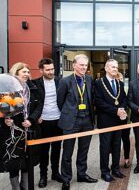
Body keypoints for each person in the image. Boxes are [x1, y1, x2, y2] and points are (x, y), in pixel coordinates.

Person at [57, 54, 98, 190]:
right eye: (81, 65)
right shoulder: (65, 81)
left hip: (87, 120)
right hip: (71, 122)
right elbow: (60, 101)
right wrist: (70, 113)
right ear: (74, 65)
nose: (83, 68)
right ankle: (66, 179)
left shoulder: (89, 79)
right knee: (67, 152)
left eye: (85, 65)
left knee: (83, 150)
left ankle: (81, 174)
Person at [4, 62, 43, 190]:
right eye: (23, 72)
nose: (27, 74)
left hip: (30, 129)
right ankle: (15, 187)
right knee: (14, 162)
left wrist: (31, 120)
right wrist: (6, 121)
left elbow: (39, 106)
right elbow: (4, 109)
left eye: (27, 72)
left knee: (28, 161)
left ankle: (25, 186)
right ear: (15, 73)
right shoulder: (9, 89)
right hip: (13, 131)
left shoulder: (33, 87)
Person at [94, 59, 127, 182]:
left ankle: (116, 169)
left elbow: (124, 98)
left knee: (117, 146)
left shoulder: (120, 83)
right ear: (106, 68)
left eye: (116, 67)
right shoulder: (98, 83)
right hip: (106, 121)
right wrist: (115, 111)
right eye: (113, 67)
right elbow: (98, 101)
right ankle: (105, 171)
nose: (115, 69)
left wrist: (122, 109)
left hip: (118, 121)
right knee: (105, 147)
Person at [33, 58, 63, 188]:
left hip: (58, 120)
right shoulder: (35, 83)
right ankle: (43, 176)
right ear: (41, 70)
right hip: (43, 121)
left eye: (52, 69)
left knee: (57, 149)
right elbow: (31, 103)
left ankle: (55, 173)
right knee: (44, 150)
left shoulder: (60, 81)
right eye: (48, 69)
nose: (51, 72)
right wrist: (36, 117)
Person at [116, 72, 130, 169]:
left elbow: (128, 101)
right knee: (115, 140)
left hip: (125, 119)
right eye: (117, 79)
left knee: (126, 139)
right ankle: (115, 160)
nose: (119, 81)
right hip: (114, 119)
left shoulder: (126, 89)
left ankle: (126, 158)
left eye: (121, 79)